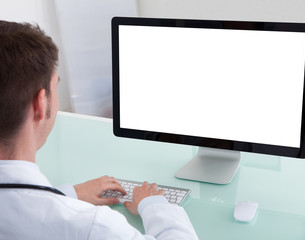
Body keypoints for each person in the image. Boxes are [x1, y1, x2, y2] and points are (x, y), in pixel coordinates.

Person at [0, 20, 198, 239]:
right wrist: (154, 205)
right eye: (56, 85)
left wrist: (65, 195)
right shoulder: (91, 227)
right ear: (40, 104)